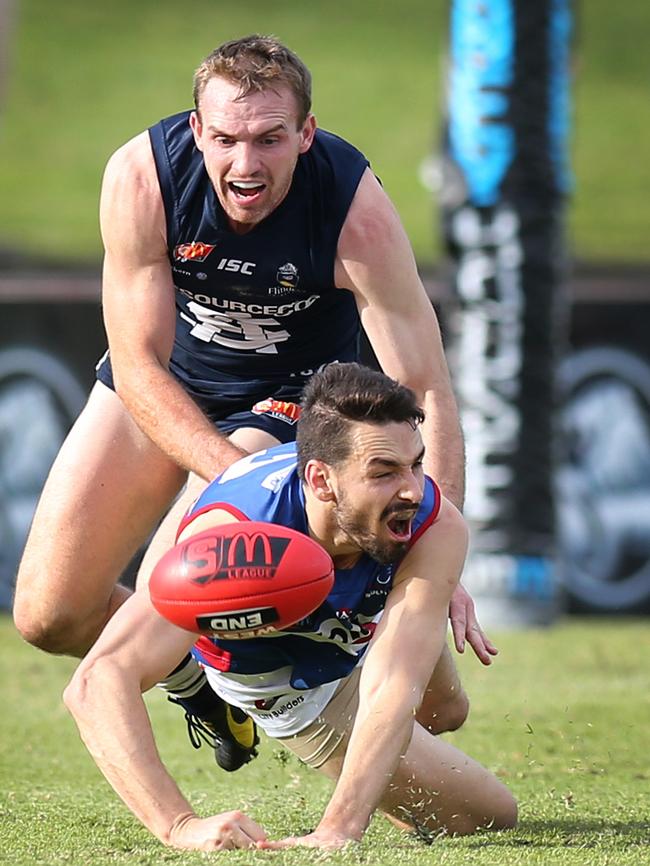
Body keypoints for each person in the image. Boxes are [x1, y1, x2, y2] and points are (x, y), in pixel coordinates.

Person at [14, 35, 493, 769]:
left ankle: (297, 672)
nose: (247, 165)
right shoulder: (144, 177)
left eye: (271, 138)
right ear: (197, 129)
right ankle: (203, 684)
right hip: (167, 381)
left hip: (296, 400)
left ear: (305, 134)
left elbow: (425, 384)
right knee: (48, 616)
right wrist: (227, 475)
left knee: (174, 585)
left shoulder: (351, 206)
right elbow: (138, 366)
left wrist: (440, 550)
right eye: (228, 138)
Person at [64, 363, 517, 852]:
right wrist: (179, 826)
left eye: (416, 464)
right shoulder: (230, 539)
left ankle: (384, 776)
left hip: (358, 623)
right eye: (384, 472)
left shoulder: (433, 518)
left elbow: (393, 680)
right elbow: (96, 682)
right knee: (487, 817)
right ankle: (209, 692)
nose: (411, 489)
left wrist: (340, 827)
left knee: (447, 710)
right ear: (321, 481)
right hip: (288, 677)